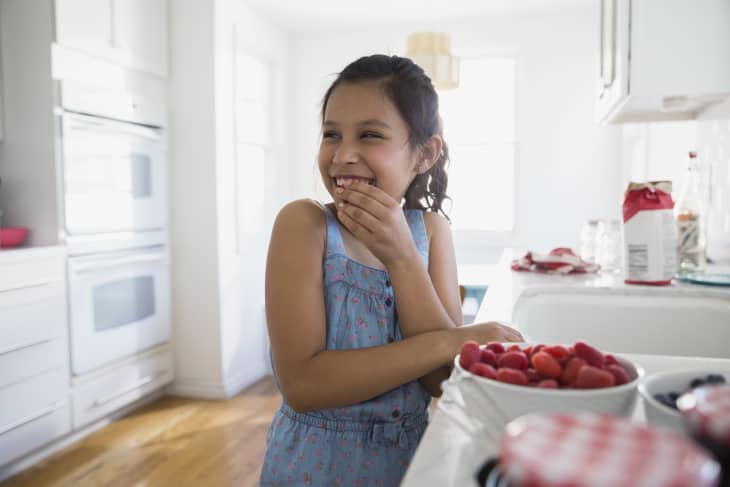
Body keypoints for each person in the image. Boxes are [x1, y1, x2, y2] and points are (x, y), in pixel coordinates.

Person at [259, 54, 522, 487]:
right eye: (331, 134)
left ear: (424, 154)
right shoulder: (303, 225)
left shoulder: (432, 233)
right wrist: (452, 339)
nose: (343, 155)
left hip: (410, 468)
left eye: (369, 135)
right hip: (311, 469)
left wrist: (402, 258)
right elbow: (304, 385)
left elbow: (442, 380)